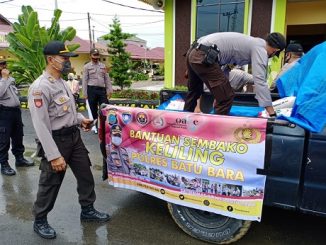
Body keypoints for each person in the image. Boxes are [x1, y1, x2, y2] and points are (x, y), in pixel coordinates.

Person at [28, 41, 110, 240]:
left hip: (74, 138)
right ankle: (40, 220)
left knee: (85, 175)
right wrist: (54, 155)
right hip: (56, 141)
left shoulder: (62, 82)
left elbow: (67, 111)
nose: (67, 62)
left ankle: (88, 210)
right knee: (50, 183)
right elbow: (41, 126)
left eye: (68, 59)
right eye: (64, 58)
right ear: (50, 60)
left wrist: (81, 120)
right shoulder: (40, 87)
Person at [184, 32, 286, 117]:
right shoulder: (260, 49)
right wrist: (271, 112)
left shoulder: (250, 43)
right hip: (203, 56)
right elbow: (259, 80)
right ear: (275, 50)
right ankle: (215, 132)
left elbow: (225, 69)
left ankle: (182, 121)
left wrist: (218, 93)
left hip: (194, 52)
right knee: (226, 97)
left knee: (194, 91)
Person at [0, 60, 34, 176]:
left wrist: (7, 79)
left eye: (4, 64)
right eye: (0, 64)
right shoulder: (5, 79)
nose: (3, 66)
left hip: (15, 111)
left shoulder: (10, 79)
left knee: (18, 136)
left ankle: (19, 159)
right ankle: (4, 164)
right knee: (3, 140)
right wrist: (4, 79)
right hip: (4, 113)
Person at [82, 48, 112, 133]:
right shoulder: (87, 67)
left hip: (102, 90)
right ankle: (96, 127)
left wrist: (109, 90)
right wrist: (84, 93)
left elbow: (107, 79)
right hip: (91, 90)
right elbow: (84, 80)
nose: (95, 57)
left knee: (105, 107)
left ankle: (105, 126)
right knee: (93, 110)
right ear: (90, 56)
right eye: (94, 55)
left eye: (97, 56)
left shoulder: (103, 66)